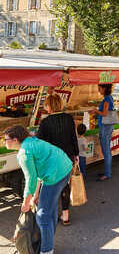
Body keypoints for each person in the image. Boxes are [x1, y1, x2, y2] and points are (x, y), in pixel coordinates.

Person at [4, 125, 72, 254]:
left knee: (42, 216)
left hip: (55, 175)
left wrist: (25, 203)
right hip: (65, 168)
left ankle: (46, 250)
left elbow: (30, 180)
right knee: (48, 211)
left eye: (6, 139)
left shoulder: (24, 152)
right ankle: (48, 242)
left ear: (15, 140)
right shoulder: (31, 141)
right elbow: (37, 174)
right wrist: (35, 196)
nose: (4, 141)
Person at [37, 94, 79, 226]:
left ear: (50, 106)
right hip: (68, 157)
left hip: (52, 160)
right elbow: (74, 137)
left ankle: (52, 216)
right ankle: (65, 215)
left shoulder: (45, 122)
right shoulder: (68, 118)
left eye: (46, 105)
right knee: (65, 184)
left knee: (52, 185)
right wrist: (76, 154)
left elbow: (40, 144)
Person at [92, 83, 115, 181]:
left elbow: (105, 113)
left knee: (106, 151)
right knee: (106, 150)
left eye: (100, 88)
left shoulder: (106, 99)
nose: (99, 90)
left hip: (105, 127)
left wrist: (96, 111)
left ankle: (107, 174)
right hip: (107, 126)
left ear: (104, 89)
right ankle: (107, 171)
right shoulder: (109, 98)